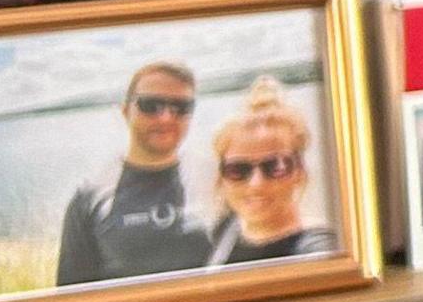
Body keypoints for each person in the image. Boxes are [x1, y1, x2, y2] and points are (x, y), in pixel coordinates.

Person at [52, 59, 215, 285]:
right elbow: (71, 295)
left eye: (181, 107)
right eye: (151, 105)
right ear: (126, 111)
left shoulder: (216, 179)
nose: (167, 117)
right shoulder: (91, 195)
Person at [202, 77, 336, 265]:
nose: (256, 183)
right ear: (221, 177)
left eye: (274, 167)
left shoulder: (317, 250)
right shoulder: (227, 230)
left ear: (299, 172)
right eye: (238, 170)